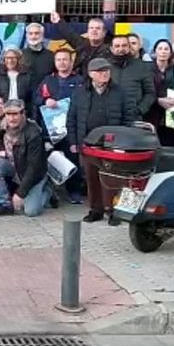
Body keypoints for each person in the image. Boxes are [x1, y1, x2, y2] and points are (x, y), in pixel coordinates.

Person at [67, 58, 136, 225]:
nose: (104, 73)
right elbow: (72, 118)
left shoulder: (120, 91)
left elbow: (129, 117)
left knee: (112, 178)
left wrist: (123, 140)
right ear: (91, 74)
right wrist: (73, 141)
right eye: (100, 71)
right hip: (88, 143)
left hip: (112, 144)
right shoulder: (80, 92)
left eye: (106, 70)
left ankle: (113, 211)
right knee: (91, 177)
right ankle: (96, 209)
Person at [0, 99, 50, 218]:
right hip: (14, 167)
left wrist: (20, 193)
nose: (11, 118)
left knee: (30, 211)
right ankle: (4, 204)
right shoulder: (2, 127)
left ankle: (48, 192)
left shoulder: (33, 133)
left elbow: (33, 166)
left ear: (23, 114)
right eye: (8, 114)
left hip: (34, 174)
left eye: (15, 114)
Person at [33, 48, 85, 203]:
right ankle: (51, 192)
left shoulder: (80, 81)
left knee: (72, 159)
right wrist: (45, 101)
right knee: (48, 160)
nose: (62, 62)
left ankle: (74, 191)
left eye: (65, 59)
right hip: (51, 130)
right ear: (55, 63)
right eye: (59, 60)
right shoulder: (47, 80)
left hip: (71, 129)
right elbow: (36, 99)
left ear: (71, 62)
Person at [49, 11, 113, 77]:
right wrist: (58, 21)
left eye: (98, 28)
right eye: (91, 28)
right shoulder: (81, 43)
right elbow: (69, 33)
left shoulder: (110, 50)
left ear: (104, 32)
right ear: (87, 31)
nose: (94, 30)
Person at [108, 34, 156, 120]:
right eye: (117, 46)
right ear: (111, 49)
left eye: (124, 45)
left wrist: (139, 110)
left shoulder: (142, 67)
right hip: (109, 118)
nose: (121, 49)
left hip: (133, 118)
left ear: (129, 48)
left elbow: (150, 93)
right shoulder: (105, 67)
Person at [21, 22, 55, 92]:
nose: (33, 36)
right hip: (24, 96)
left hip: (46, 96)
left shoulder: (51, 55)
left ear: (42, 35)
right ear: (27, 36)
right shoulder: (20, 55)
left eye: (37, 33)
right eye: (30, 33)